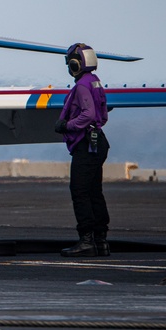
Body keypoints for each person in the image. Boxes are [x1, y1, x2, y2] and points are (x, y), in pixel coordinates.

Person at [56, 43, 111, 257]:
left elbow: (87, 115)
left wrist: (67, 125)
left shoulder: (81, 86)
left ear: (75, 64)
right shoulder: (95, 82)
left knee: (79, 192)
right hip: (97, 142)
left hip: (85, 143)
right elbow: (102, 115)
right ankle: (101, 241)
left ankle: (86, 241)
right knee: (94, 192)